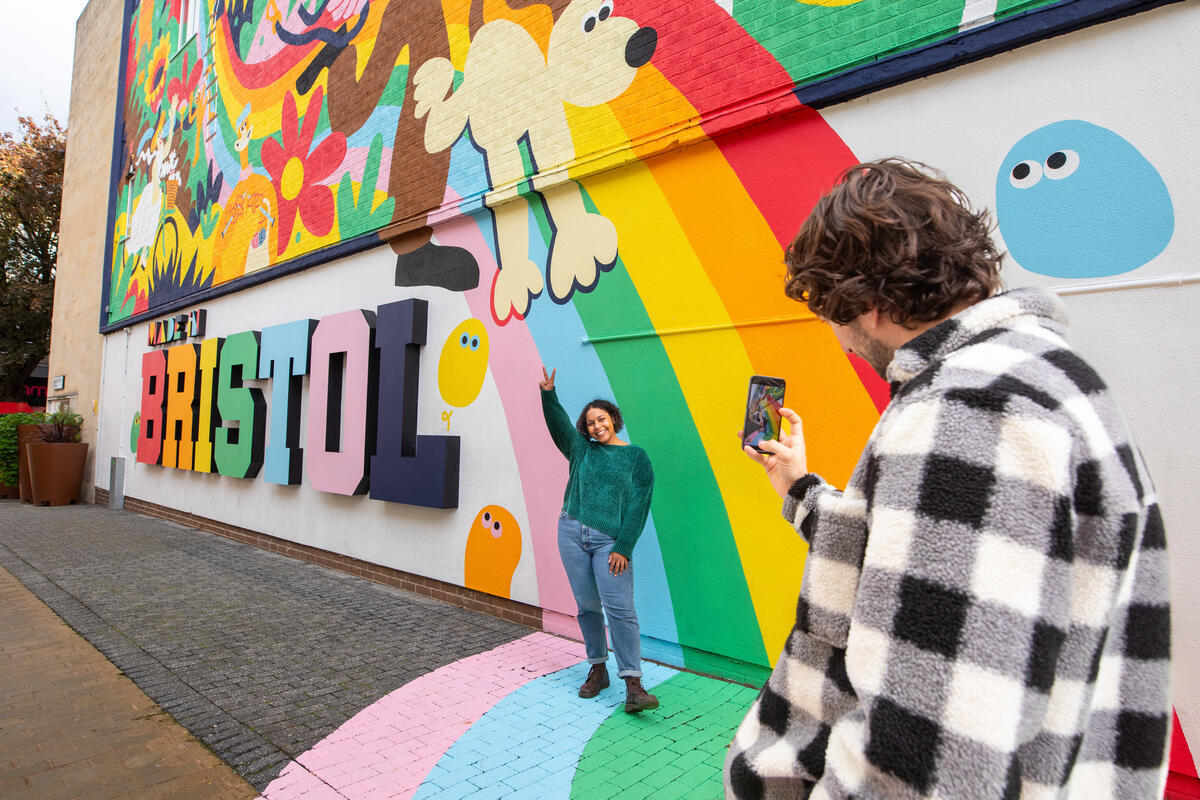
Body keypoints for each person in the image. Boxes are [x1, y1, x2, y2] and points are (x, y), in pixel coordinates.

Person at [724, 159, 1170, 799]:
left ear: (868, 305)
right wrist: (799, 487)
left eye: (832, 316)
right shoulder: (1050, 374)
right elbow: (917, 563)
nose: (842, 342)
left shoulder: (967, 411)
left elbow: (928, 758)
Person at [539, 366, 660, 713]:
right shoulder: (582, 450)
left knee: (620, 610)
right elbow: (558, 425)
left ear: (614, 419)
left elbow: (640, 504)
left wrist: (624, 546)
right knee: (587, 607)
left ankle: (633, 684)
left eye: (602, 419)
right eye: (590, 422)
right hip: (571, 532)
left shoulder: (636, 458)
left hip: (610, 542)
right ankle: (597, 668)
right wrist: (549, 395)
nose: (597, 426)